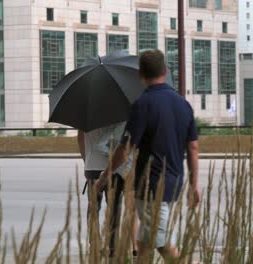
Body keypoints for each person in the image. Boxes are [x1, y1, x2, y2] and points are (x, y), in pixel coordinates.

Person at [95, 49, 200, 262]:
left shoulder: (142, 105)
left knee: (159, 242)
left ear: (140, 75)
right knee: (144, 244)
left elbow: (126, 149)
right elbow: (193, 148)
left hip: (151, 184)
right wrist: (193, 184)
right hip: (174, 181)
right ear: (166, 70)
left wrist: (105, 176)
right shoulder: (184, 104)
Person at [77, 123, 137, 257]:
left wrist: (86, 160)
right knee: (114, 208)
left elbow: (80, 139)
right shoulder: (115, 116)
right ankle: (112, 247)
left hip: (92, 167)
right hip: (111, 168)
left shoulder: (86, 115)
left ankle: (94, 244)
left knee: (93, 208)